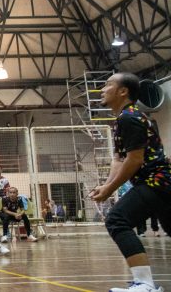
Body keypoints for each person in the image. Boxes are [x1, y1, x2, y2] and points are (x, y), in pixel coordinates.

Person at [90, 72, 171, 292]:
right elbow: (119, 159)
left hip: (157, 182)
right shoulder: (122, 119)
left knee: (117, 220)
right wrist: (106, 185)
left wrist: (110, 189)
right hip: (157, 184)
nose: (102, 90)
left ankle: (144, 284)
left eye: (107, 85)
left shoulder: (130, 117)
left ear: (123, 91)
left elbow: (135, 160)